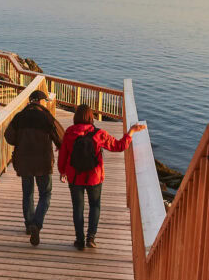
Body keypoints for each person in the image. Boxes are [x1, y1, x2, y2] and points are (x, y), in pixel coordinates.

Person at [58, 103, 146, 250]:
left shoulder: (69, 133)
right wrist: (131, 131)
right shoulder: (99, 134)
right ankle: (91, 237)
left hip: (74, 177)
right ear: (91, 117)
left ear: (76, 117)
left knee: (78, 208)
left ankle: (79, 240)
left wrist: (62, 171)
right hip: (94, 177)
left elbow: (63, 155)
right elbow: (119, 146)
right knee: (95, 205)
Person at [5, 90, 64, 247]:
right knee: (45, 193)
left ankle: (29, 225)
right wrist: (58, 145)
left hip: (24, 162)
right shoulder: (46, 117)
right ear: (39, 101)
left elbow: (9, 137)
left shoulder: (20, 117)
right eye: (45, 101)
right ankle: (36, 224)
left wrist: (21, 140)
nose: (47, 104)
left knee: (28, 193)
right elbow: (61, 137)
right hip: (43, 162)